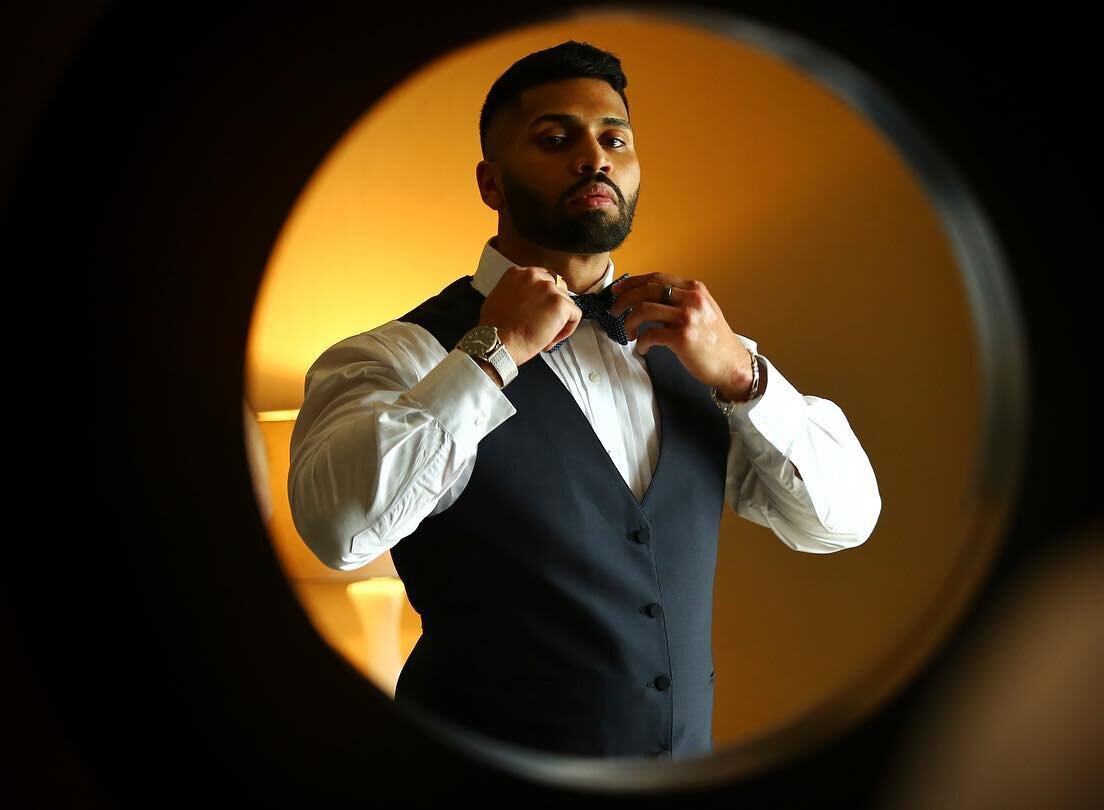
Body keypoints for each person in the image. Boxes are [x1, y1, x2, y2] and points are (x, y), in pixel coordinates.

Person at [287, 40, 881, 760]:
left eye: (614, 138)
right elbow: (340, 532)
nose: (594, 157)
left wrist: (741, 376)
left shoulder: (699, 353)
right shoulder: (394, 357)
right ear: (491, 182)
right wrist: (491, 351)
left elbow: (843, 522)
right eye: (555, 138)